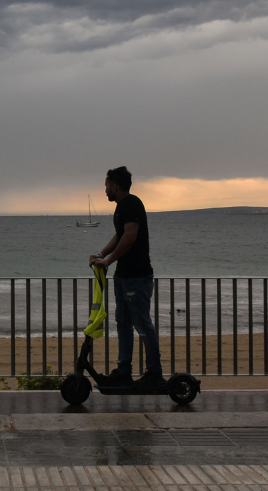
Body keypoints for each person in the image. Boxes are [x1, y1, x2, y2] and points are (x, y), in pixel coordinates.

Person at [89, 166, 165, 388]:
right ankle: (124, 370)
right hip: (123, 277)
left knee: (142, 324)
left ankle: (155, 373)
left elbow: (130, 237)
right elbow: (119, 235)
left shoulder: (132, 204)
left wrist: (108, 261)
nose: (104, 191)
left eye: (106, 186)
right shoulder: (122, 208)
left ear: (114, 186)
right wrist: (101, 254)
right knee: (123, 323)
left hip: (137, 277)